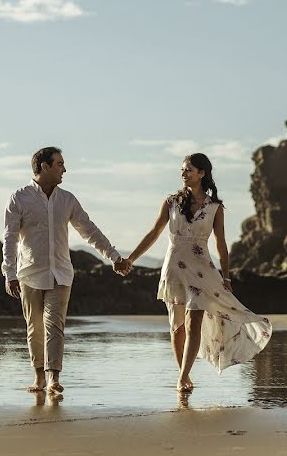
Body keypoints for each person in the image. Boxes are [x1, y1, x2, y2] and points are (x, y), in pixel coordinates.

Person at [116, 153, 272, 392]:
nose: (184, 173)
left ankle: (182, 377)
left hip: (201, 270)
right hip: (174, 270)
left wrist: (227, 276)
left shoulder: (214, 208)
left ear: (202, 173)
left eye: (189, 169)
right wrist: (131, 259)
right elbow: (153, 234)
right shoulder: (171, 202)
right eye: (182, 169)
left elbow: (221, 244)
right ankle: (183, 373)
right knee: (177, 327)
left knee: (193, 323)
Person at [2, 146, 127, 394]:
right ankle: (39, 377)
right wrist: (10, 273)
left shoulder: (67, 199)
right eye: (59, 164)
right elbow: (10, 238)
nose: (64, 169)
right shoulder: (19, 198)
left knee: (54, 325)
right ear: (44, 166)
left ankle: (53, 378)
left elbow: (89, 231)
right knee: (34, 327)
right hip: (29, 273)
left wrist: (113, 256)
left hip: (61, 272)